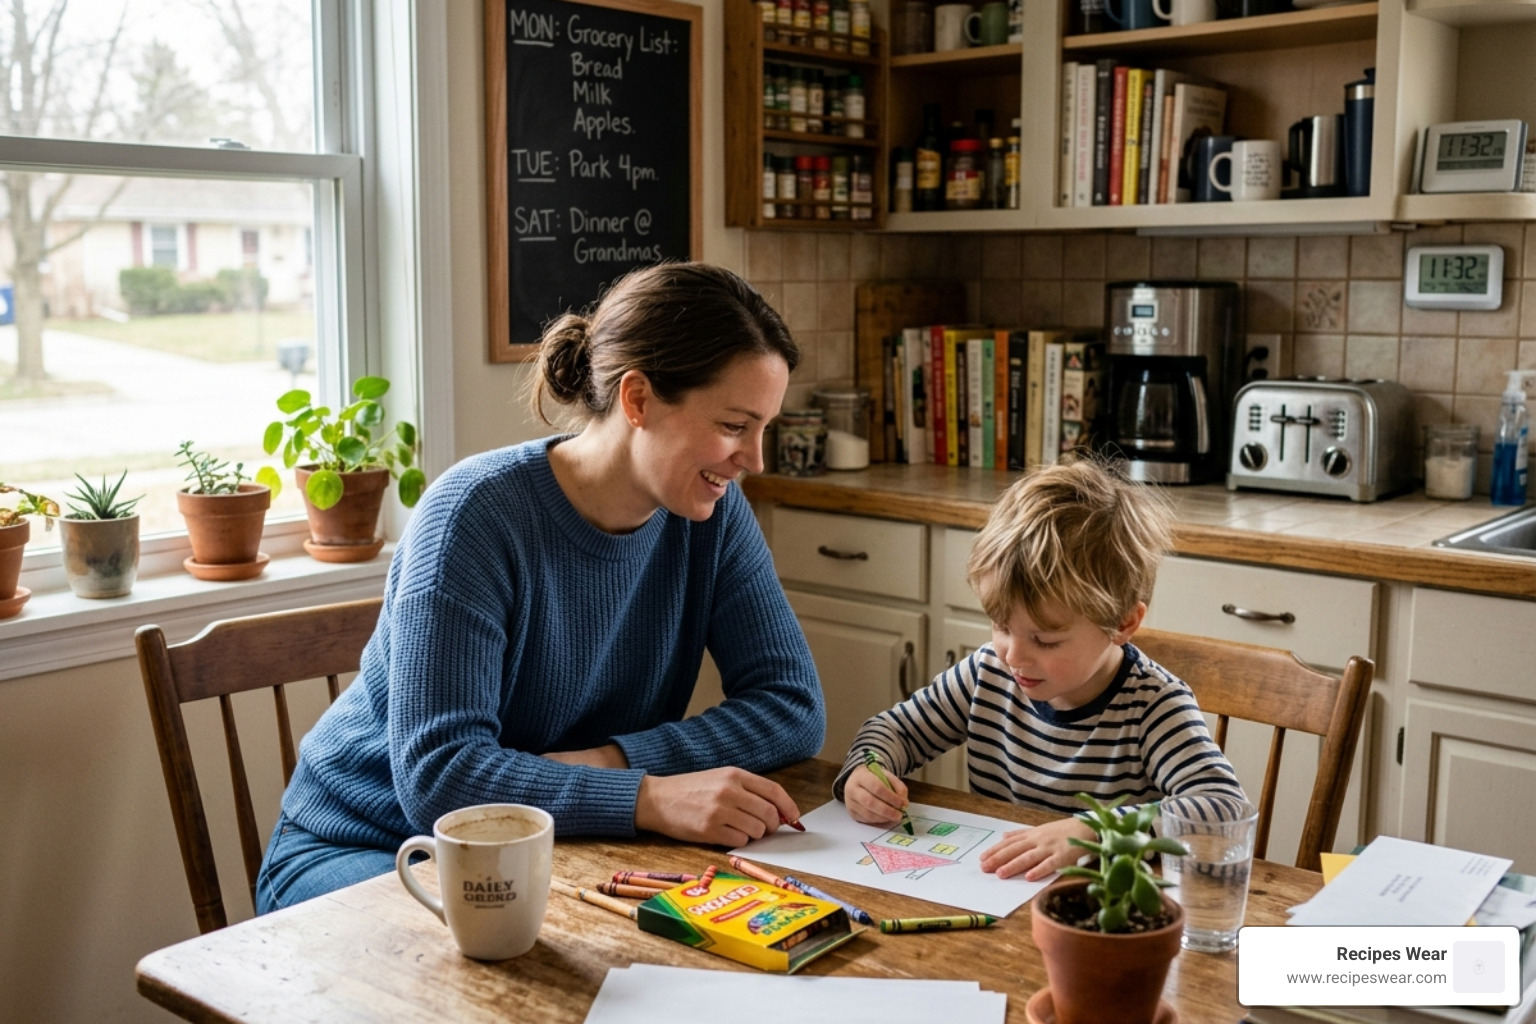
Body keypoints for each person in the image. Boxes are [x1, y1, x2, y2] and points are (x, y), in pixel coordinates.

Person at [256, 262, 826, 913]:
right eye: (733, 425)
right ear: (638, 400)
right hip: (372, 853)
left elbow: (792, 706)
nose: (753, 459)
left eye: (764, 428)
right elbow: (441, 778)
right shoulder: (472, 516)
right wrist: (649, 797)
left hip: (549, 846)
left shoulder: (712, 513)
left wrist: (610, 763)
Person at [834, 456, 1244, 882]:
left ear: (1122, 624)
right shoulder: (986, 674)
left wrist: (1096, 831)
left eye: (1045, 640)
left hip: (1103, 909)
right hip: (1002, 895)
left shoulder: (1153, 706)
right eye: (1001, 626)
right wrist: (867, 769)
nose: (1014, 656)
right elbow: (895, 730)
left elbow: (1222, 806)